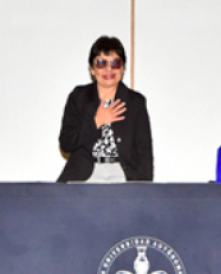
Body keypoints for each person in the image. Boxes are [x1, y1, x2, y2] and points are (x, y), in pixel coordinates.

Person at [57, 36, 153, 182]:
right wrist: (96, 122)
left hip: (123, 173)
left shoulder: (135, 102)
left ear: (123, 68)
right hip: (85, 172)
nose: (109, 69)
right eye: (101, 63)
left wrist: (144, 190)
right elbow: (67, 143)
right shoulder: (79, 97)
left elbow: (144, 151)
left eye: (115, 63)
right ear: (92, 69)